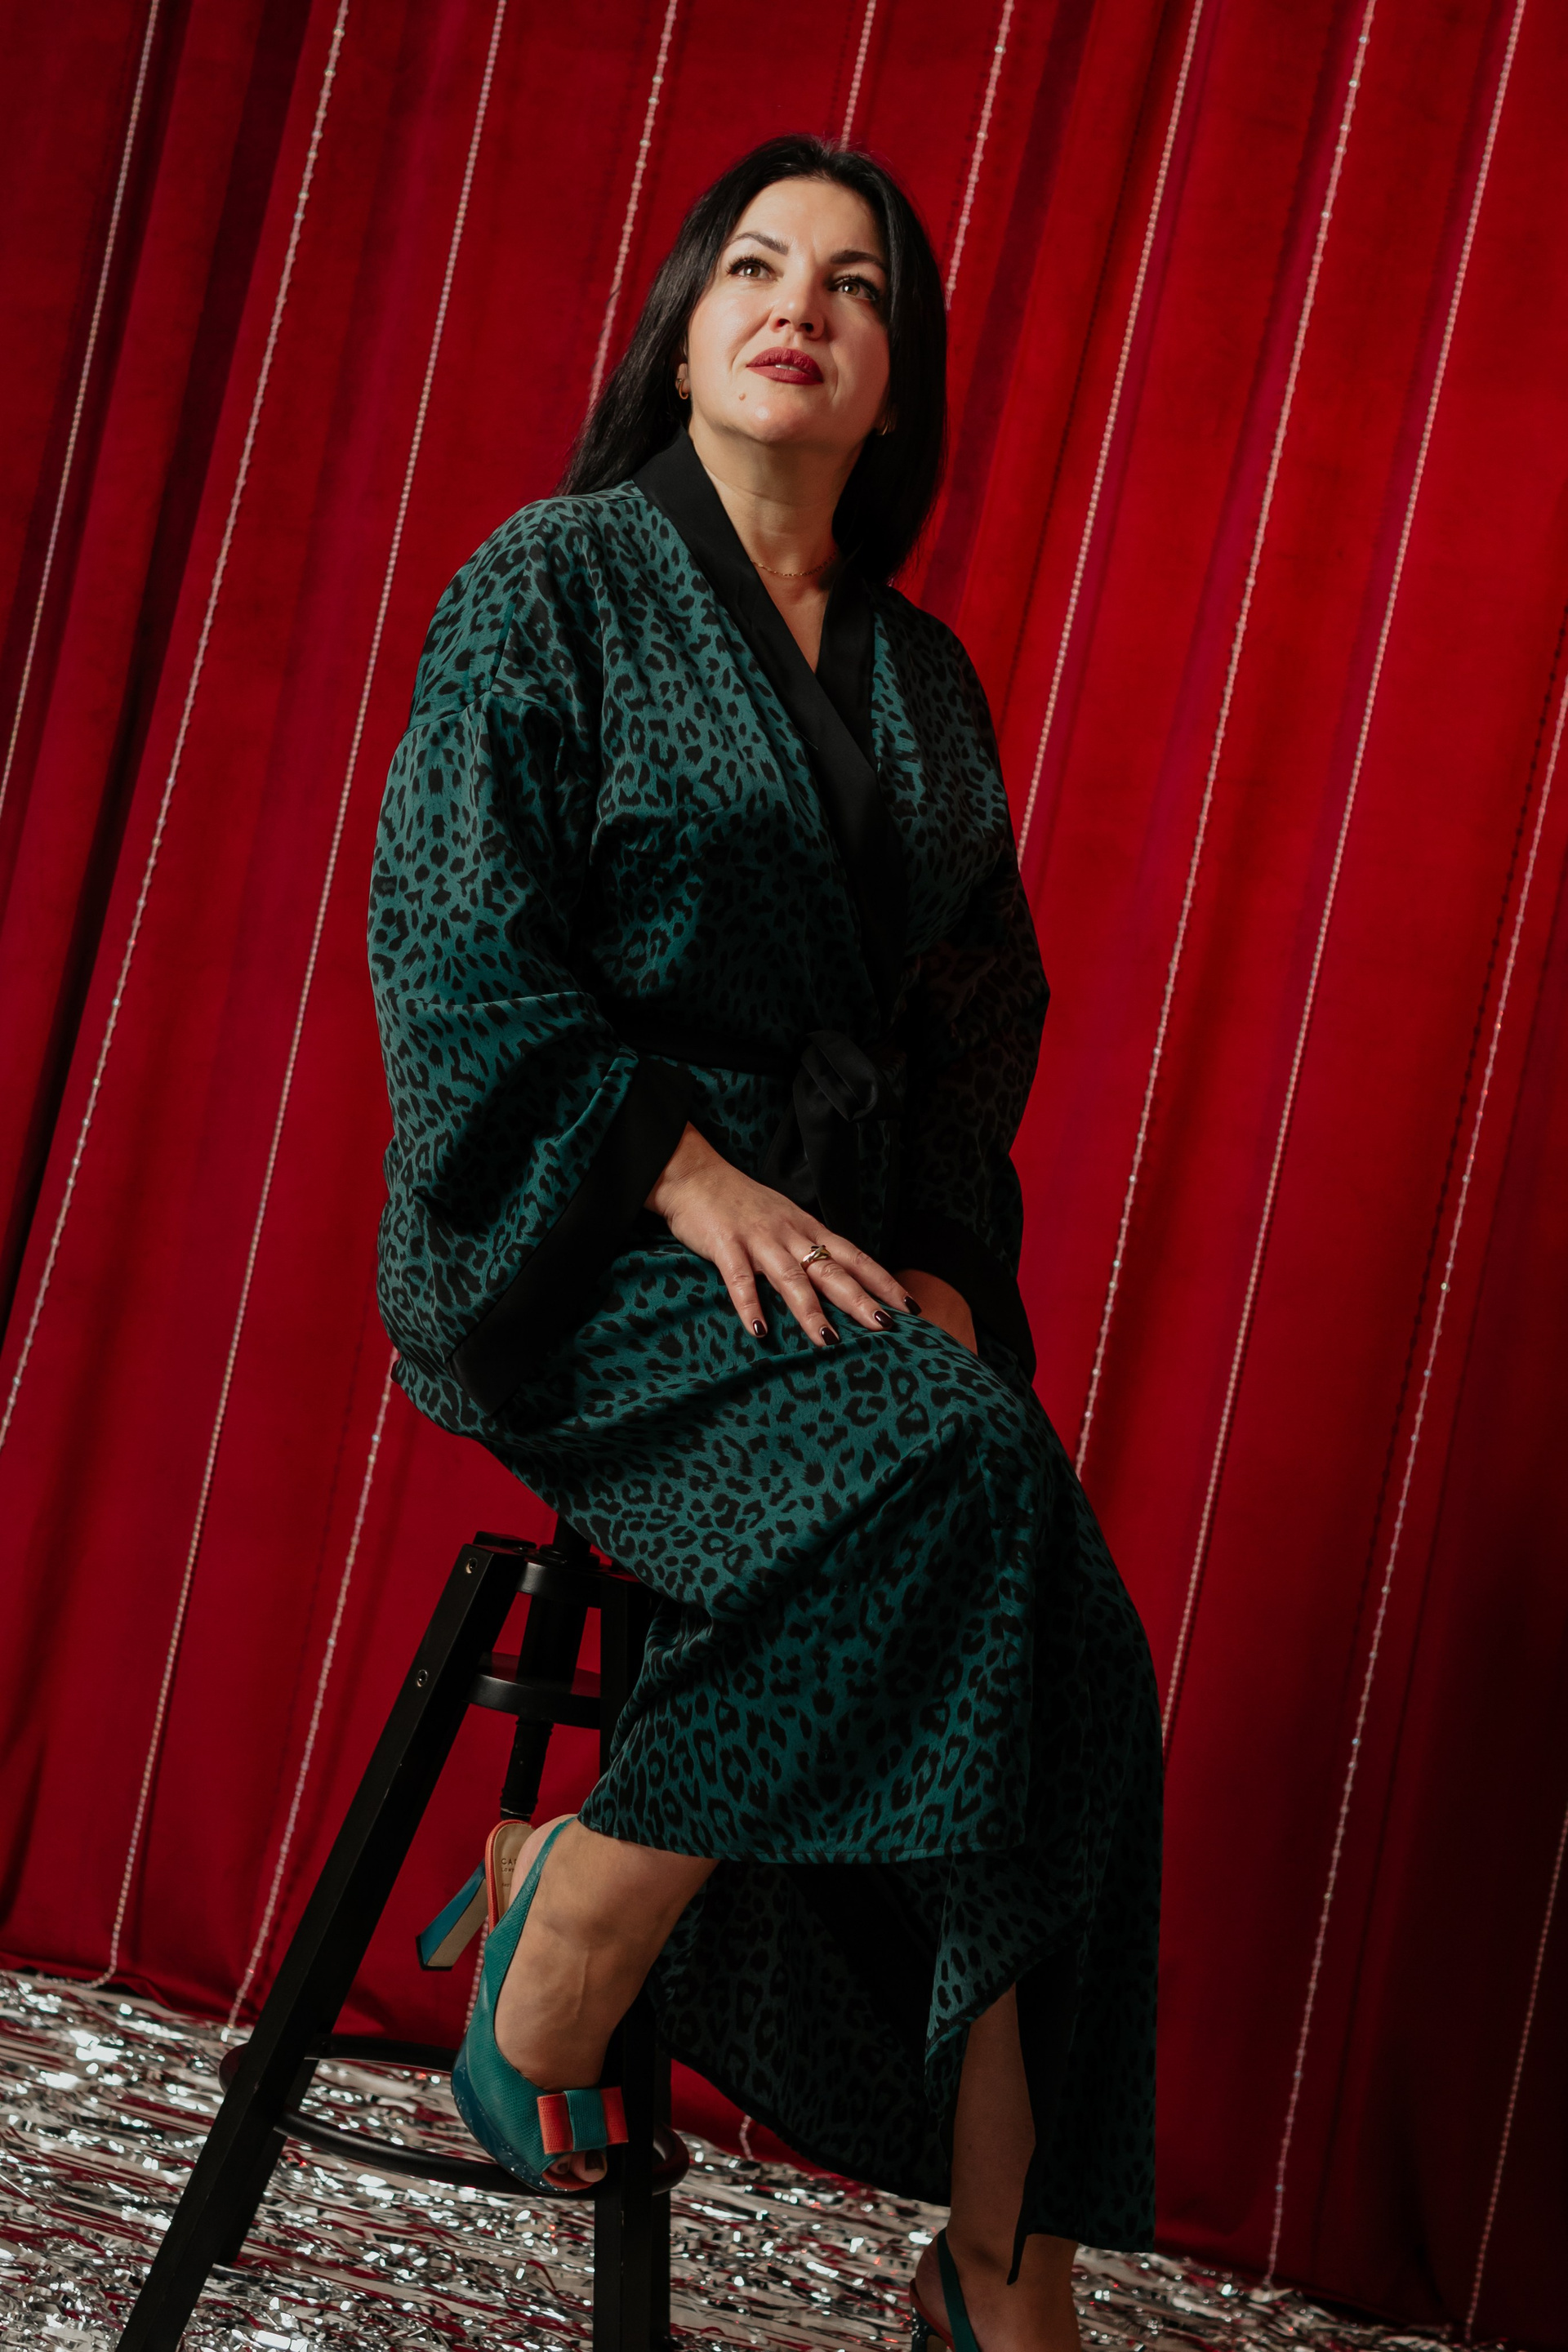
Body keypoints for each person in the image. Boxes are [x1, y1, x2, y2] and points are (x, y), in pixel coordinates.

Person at [369, 133, 1161, 2352]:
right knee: (969, 1480)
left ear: (897, 383)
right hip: (581, 1235)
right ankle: (584, 1910)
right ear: (688, 322)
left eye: (855, 285)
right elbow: (452, 946)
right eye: (753, 265)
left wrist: (950, 1269)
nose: (798, 303)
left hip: (827, 1272)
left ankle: (1007, 2270)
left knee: (1075, 1636)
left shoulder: (928, 683)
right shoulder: (555, 582)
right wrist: (681, 1169)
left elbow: (971, 1029)